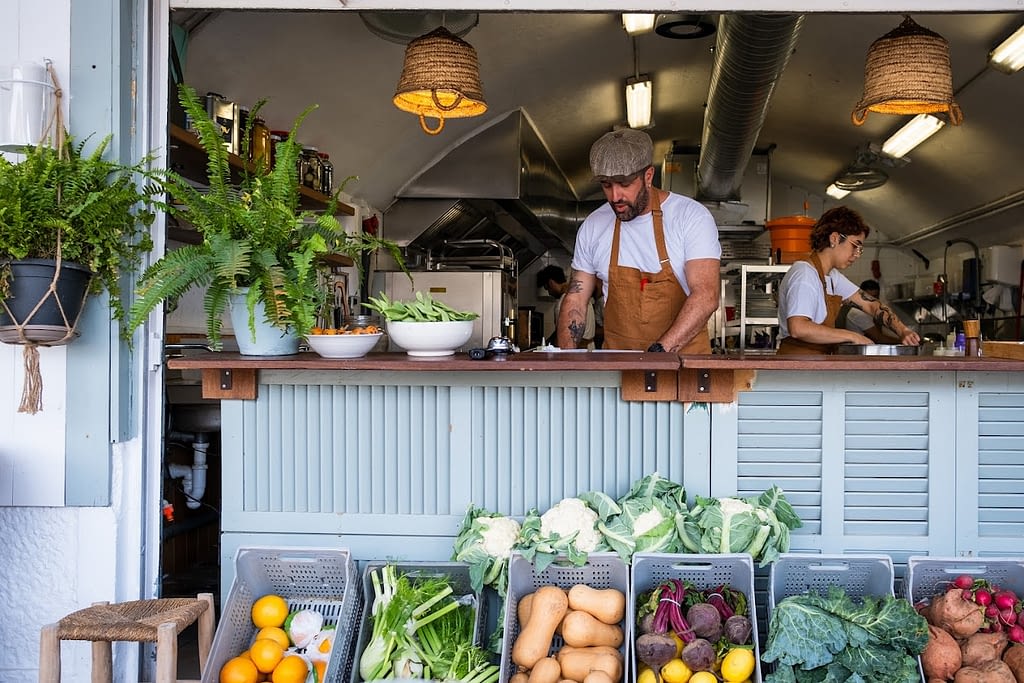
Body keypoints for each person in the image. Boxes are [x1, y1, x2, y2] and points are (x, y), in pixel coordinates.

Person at [556, 129, 721, 352]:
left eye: (624, 184)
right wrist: (565, 360)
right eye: (606, 185)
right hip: (619, 370)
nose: (615, 197)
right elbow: (576, 298)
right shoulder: (594, 226)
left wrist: (658, 354)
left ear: (648, 176)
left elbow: (706, 295)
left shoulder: (690, 217)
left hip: (682, 370)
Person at [776, 207, 920, 354]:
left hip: (816, 362)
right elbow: (798, 328)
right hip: (796, 365)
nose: (857, 254)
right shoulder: (805, 274)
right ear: (834, 238)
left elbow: (870, 305)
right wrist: (852, 336)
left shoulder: (832, 276)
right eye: (855, 245)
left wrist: (903, 331)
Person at [537, 264, 595, 347]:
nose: (549, 293)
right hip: (590, 349)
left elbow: (563, 334)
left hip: (576, 352)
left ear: (551, 283)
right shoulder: (582, 296)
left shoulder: (564, 303)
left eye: (547, 288)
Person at [837, 279, 902, 344]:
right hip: (859, 352)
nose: (871, 301)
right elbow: (878, 338)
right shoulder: (857, 313)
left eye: (875, 297)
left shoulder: (874, 311)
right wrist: (902, 341)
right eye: (868, 297)